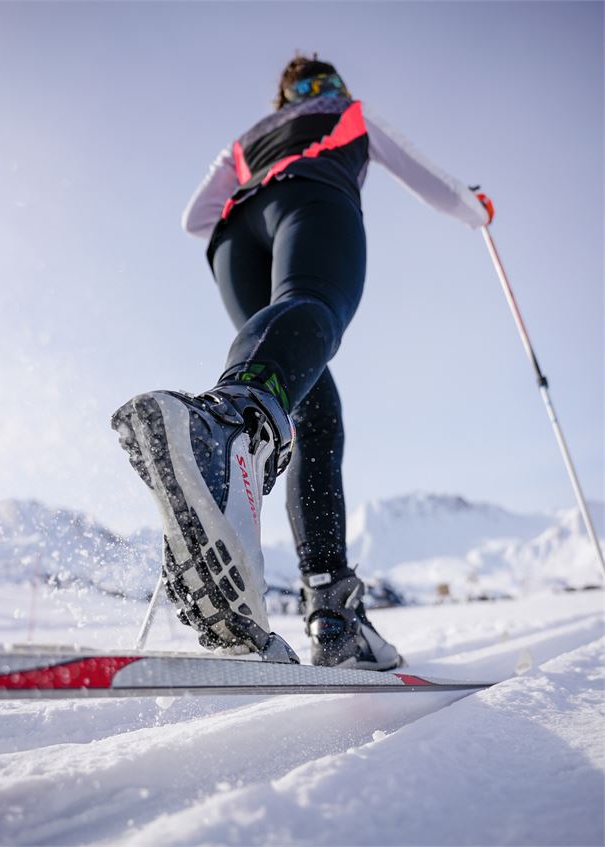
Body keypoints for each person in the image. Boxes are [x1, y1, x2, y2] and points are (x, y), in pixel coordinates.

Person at [112, 55, 493, 668]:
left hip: (234, 239)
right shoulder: (350, 114)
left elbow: (194, 220)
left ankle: (333, 614)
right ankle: (226, 434)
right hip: (313, 202)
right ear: (331, 88)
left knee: (311, 408)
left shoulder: (246, 142)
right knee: (310, 306)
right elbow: (441, 190)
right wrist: (478, 209)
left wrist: (252, 197)